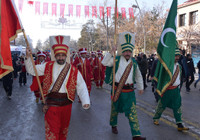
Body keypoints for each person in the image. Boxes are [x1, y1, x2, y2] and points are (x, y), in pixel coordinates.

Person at [25, 35, 90, 140]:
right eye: (58, 55)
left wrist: (85, 101)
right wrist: (28, 57)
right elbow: (32, 70)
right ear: (55, 55)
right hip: (52, 105)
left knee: (63, 131)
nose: (60, 58)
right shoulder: (47, 66)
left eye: (63, 55)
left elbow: (81, 85)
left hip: (66, 105)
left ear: (66, 55)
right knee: (52, 132)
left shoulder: (73, 70)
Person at [102, 32, 146, 140]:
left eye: (129, 51)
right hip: (117, 90)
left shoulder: (134, 63)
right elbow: (104, 63)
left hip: (129, 92)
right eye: (126, 51)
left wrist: (140, 87)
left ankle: (136, 135)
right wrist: (111, 52)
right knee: (114, 110)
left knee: (132, 113)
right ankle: (114, 124)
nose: (127, 53)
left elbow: (138, 76)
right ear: (123, 51)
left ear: (131, 52)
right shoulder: (116, 59)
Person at [153, 47, 189, 131]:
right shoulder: (167, 66)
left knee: (178, 106)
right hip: (167, 90)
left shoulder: (179, 66)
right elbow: (160, 75)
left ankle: (179, 124)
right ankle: (156, 118)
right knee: (161, 105)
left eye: (178, 56)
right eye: (175, 56)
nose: (177, 57)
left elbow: (179, 77)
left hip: (176, 90)